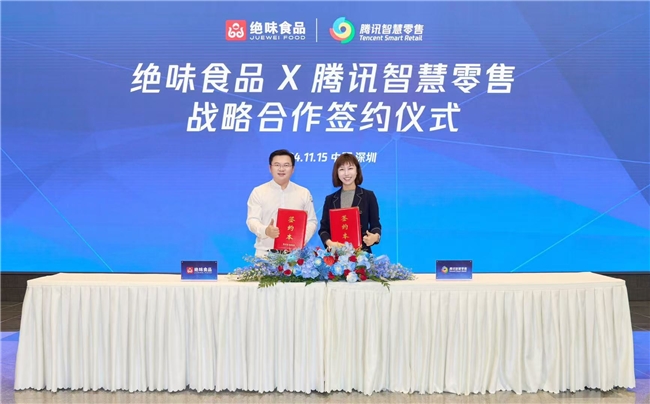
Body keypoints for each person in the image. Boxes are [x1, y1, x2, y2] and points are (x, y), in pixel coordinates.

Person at [246, 149, 318, 257]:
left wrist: (301, 239)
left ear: (293, 169)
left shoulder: (303, 193)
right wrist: (266, 230)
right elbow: (252, 220)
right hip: (265, 255)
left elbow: (311, 221)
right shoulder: (258, 192)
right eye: (277, 165)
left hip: (295, 256)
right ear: (270, 168)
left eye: (286, 165)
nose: (281, 169)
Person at [319, 153, 381, 253]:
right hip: (336, 255)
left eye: (350, 168)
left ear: (357, 171)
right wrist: (330, 243)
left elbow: (375, 225)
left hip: (362, 255)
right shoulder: (330, 199)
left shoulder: (368, 196)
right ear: (337, 173)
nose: (346, 173)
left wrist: (375, 237)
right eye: (342, 169)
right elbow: (323, 229)